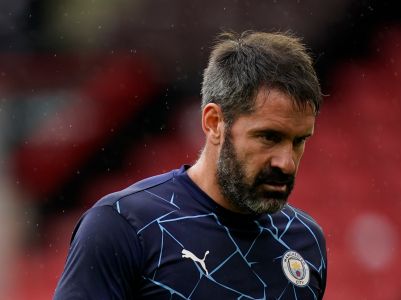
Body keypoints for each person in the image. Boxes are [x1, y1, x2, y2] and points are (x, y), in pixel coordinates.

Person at [54, 31, 327, 299]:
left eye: (299, 141)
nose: (287, 163)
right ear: (214, 123)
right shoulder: (121, 226)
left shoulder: (305, 241)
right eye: (269, 137)